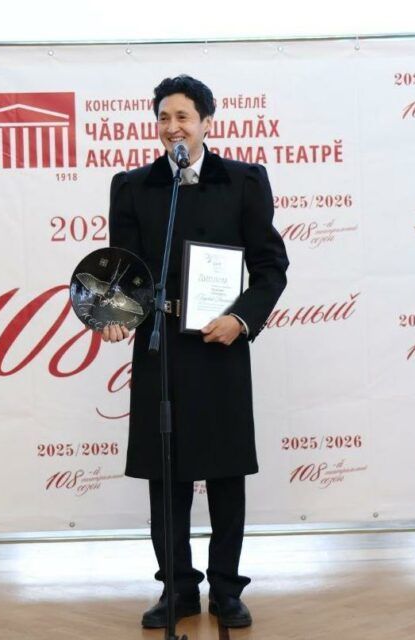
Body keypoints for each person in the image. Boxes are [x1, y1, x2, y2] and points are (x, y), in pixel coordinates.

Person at [102, 75, 289, 629]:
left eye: (182, 116)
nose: (172, 127)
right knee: (166, 474)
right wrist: (114, 315)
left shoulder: (244, 181)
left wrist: (241, 319)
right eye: (164, 118)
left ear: (207, 122)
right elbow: (124, 269)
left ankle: (227, 589)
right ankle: (177, 588)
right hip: (159, 346)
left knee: (227, 472)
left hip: (220, 343)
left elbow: (270, 267)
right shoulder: (133, 186)